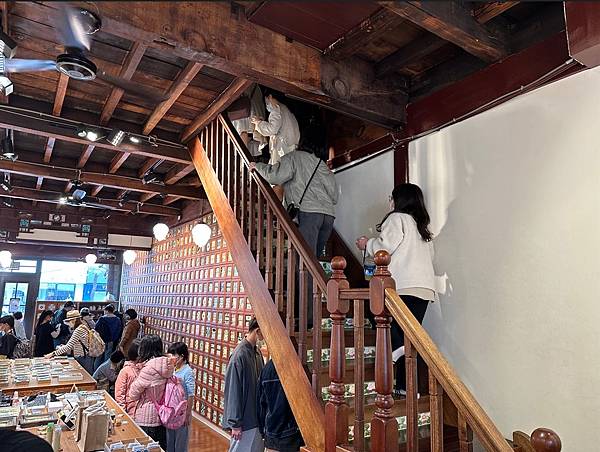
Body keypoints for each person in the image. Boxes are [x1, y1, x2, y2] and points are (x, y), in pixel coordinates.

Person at [356, 183, 436, 394]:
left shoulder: (397, 218)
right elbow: (431, 257)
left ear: (399, 200)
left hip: (402, 285)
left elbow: (384, 248)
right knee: (409, 336)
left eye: (391, 198)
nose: (390, 202)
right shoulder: (421, 226)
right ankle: (405, 387)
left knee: (375, 310)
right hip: (424, 289)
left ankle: (397, 351)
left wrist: (367, 244)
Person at [223, 318, 265, 452]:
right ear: (258, 331)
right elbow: (233, 391)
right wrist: (235, 423)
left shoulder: (256, 352)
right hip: (244, 422)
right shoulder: (239, 356)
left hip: (256, 418)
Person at [129, 334, 174, 450]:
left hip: (146, 418)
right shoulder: (168, 366)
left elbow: (133, 394)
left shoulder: (149, 369)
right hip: (162, 415)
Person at [257, 345, 305, 452]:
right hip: (291, 431)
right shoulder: (295, 368)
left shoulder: (266, 369)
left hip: (271, 431)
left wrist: (262, 430)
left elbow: (261, 404)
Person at [251, 91, 300, 165]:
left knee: (278, 169)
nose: (267, 104)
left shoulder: (276, 110)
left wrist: (258, 123)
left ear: (270, 97)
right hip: (290, 146)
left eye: (266, 101)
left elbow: (272, 129)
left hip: (282, 148)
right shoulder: (286, 109)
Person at [166, 342, 195, 452]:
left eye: (174, 355)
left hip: (182, 413)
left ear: (182, 357)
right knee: (170, 442)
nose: (171, 358)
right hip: (171, 411)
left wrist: (187, 414)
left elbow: (191, 394)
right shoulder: (173, 369)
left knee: (180, 444)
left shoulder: (188, 372)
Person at [45, 309, 95, 374]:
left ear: (74, 320)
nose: (68, 324)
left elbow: (68, 346)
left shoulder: (78, 330)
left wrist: (52, 354)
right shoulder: (82, 327)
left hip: (83, 357)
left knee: (85, 376)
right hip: (85, 356)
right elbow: (73, 344)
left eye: (69, 321)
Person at [115, 338, 142, 415]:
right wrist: (123, 412)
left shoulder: (143, 368)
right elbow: (119, 394)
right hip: (129, 411)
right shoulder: (125, 371)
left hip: (140, 411)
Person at [94, 304, 123, 369]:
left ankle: (96, 370)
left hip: (101, 340)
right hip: (111, 341)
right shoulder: (117, 319)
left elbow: (96, 328)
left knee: (99, 356)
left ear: (106, 310)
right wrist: (114, 338)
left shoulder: (102, 319)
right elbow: (119, 330)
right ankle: (105, 370)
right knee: (107, 356)